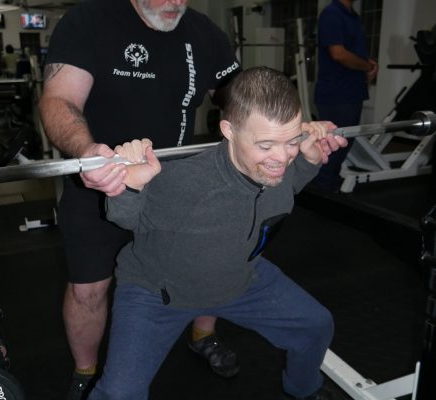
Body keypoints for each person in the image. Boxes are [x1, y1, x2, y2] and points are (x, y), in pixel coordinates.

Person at [88, 66, 348, 400]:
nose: (281, 158)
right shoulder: (182, 180)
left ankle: (303, 388)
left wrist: (309, 158)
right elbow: (123, 220)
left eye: (292, 140)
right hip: (159, 292)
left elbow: (289, 183)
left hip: (241, 279)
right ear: (229, 130)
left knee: (316, 325)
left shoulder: (278, 168)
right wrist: (129, 185)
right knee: (119, 394)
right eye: (267, 144)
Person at [38, 0, 242, 398]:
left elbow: (240, 94)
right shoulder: (89, 20)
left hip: (173, 183)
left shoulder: (202, 32)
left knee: (207, 262)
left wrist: (282, 119)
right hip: (102, 179)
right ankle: (86, 370)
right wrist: (87, 153)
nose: (174, 3)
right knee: (88, 290)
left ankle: (202, 335)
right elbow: (58, 99)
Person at [313, 0, 378, 192]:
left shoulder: (352, 16)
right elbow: (339, 54)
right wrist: (367, 66)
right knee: (333, 144)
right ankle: (322, 187)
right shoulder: (332, 14)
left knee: (344, 142)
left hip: (352, 90)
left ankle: (329, 181)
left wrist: (370, 64)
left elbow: (353, 51)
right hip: (336, 93)